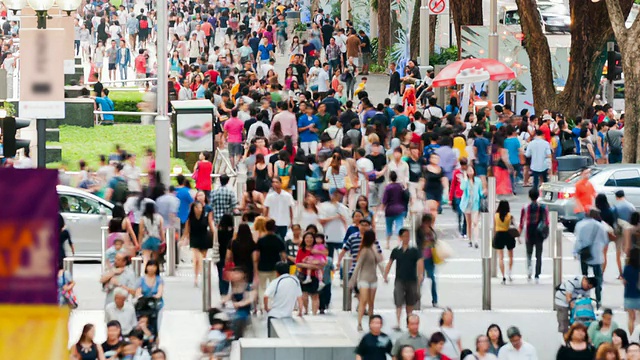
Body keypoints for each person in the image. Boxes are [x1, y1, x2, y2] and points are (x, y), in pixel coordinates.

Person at [384, 228, 422, 331]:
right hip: (400, 279)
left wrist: (420, 275)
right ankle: (398, 322)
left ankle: (408, 321)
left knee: (410, 302)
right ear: (400, 237)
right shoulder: (396, 250)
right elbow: (390, 262)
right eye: (404, 236)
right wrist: (385, 274)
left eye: (408, 236)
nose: (406, 238)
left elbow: (419, 263)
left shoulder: (414, 251)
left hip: (412, 279)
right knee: (398, 301)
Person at [349, 229, 384, 331]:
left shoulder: (374, 249)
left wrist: (384, 275)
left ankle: (370, 322)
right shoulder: (364, 250)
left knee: (371, 302)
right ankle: (359, 323)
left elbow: (379, 261)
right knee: (363, 301)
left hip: (373, 279)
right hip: (364, 279)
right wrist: (353, 279)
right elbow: (358, 265)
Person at [574, 209, 609, 307]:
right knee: (598, 277)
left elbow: (578, 240)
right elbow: (605, 240)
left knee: (584, 276)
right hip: (597, 255)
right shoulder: (600, 226)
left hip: (584, 254)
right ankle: (598, 298)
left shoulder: (580, 225)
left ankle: (585, 296)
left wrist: (575, 252)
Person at [264, 262, 304, 337]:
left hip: (274, 315)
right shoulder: (295, 281)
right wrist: (300, 311)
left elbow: (266, 296)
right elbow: (299, 298)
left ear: (277, 272)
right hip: (288, 316)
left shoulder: (276, 281)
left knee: (272, 340)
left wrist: (266, 308)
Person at [255, 219, 287, 311]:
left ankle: (262, 305)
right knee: (275, 287)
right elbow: (283, 255)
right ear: (275, 227)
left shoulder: (261, 240)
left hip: (262, 267)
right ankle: (273, 304)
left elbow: (257, 255)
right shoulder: (278, 239)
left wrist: (256, 265)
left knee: (262, 287)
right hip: (275, 268)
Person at [518, 188, 549, 283]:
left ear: (529, 196)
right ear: (538, 196)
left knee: (529, 254)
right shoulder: (543, 208)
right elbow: (546, 221)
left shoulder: (525, 207)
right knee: (538, 255)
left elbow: (521, 223)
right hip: (539, 234)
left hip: (529, 233)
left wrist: (519, 235)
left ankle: (529, 270)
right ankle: (537, 274)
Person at [182, 201, 213, 285]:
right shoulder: (190, 218)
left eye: (201, 207)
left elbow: (211, 225)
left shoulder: (205, 216)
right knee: (197, 257)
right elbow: (186, 230)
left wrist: (215, 236)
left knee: (203, 258)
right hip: (194, 238)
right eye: (198, 207)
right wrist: (183, 239)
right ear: (194, 208)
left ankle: (202, 274)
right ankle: (196, 277)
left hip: (205, 238)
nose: (200, 209)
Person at [135, 260, 164, 337]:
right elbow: (138, 292)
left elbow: (160, 292)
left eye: (154, 266)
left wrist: (157, 296)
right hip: (143, 305)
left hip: (156, 305)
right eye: (150, 266)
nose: (151, 268)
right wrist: (140, 296)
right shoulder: (141, 280)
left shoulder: (159, 280)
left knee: (156, 325)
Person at [382, 171, 408, 249]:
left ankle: (387, 243)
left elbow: (384, 200)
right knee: (399, 226)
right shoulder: (401, 186)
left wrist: (382, 209)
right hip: (400, 208)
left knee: (388, 227)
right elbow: (405, 197)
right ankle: (399, 243)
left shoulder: (388, 187)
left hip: (389, 210)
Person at [417, 213, 438, 307]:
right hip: (421, 258)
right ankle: (417, 298)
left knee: (432, 279)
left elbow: (434, 241)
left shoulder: (431, 231)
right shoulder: (419, 231)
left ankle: (435, 299)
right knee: (420, 278)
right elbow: (419, 243)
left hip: (430, 258)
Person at [494, 200, 516, 284]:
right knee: (510, 256)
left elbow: (495, 227)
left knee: (500, 257)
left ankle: (503, 276)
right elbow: (514, 227)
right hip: (508, 235)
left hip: (499, 235)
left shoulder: (496, 216)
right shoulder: (510, 216)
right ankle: (509, 273)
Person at [139, 202, 164, 266]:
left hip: (146, 239)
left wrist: (140, 243)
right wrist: (163, 241)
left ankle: (146, 270)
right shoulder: (159, 217)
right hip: (156, 239)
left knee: (146, 257)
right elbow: (161, 231)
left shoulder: (143, 218)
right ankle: (154, 271)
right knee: (155, 259)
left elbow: (141, 232)